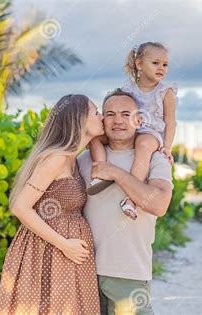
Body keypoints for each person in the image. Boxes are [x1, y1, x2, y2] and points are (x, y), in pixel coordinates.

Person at [0, 94, 104, 314]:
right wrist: (64, 244)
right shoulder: (57, 158)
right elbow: (19, 206)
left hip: (66, 253)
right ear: (81, 120)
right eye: (96, 112)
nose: (102, 116)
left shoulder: (74, 157)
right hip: (48, 250)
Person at [77, 89, 174, 314]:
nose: (117, 120)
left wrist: (116, 173)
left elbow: (159, 204)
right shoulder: (84, 160)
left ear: (138, 120)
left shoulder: (156, 158)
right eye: (110, 114)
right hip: (84, 272)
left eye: (125, 114)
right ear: (102, 119)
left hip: (129, 274)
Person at [87, 42, 177, 220]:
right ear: (139, 64)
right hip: (131, 129)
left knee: (143, 145)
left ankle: (131, 200)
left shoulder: (165, 92)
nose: (161, 68)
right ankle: (101, 171)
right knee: (94, 137)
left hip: (151, 133)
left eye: (165, 65)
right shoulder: (128, 89)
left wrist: (167, 147)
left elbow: (171, 122)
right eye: (156, 63)